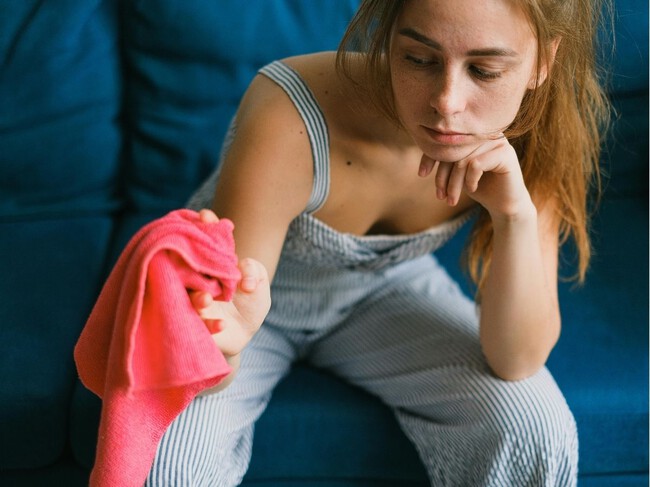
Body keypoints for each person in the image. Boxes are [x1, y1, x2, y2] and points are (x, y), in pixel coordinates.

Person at [146, 0, 610, 485]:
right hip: (251, 307)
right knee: (169, 462)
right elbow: (218, 348)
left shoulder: (533, 135)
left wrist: (513, 215)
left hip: (384, 289)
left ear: (542, 63)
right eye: (419, 59)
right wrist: (224, 346)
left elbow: (517, 361)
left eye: (485, 71)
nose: (447, 102)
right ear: (388, 36)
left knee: (533, 425)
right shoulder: (290, 112)